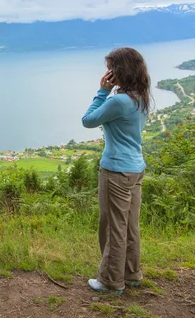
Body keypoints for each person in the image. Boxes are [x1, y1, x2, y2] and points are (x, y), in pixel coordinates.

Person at [82, 47, 151, 294]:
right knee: (130, 225)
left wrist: (102, 91)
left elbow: (88, 120)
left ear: (119, 71)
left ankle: (111, 281)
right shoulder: (140, 96)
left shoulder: (118, 101)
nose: (108, 72)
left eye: (111, 68)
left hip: (115, 171)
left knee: (113, 227)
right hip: (135, 169)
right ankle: (131, 273)